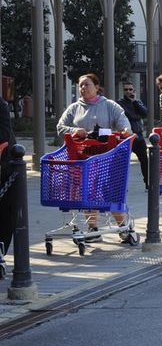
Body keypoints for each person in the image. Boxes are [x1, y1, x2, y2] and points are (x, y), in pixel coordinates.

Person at [57, 73, 132, 238]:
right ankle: (93, 228)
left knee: (109, 192)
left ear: (97, 87)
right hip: (83, 157)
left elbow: (122, 121)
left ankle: (123, 227)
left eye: (87, 84)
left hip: (107, 157)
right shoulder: (74, 108)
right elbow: (60, 127)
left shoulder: (109, 105)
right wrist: (74, 130)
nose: (83, 88)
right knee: (88, 191)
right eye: (80, 85)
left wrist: (126, 130)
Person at [117, 81, 148, 188]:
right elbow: (129, 116)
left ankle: (148, 183)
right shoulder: (120, 104)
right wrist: (137, 115)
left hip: (139, 137)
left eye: (130, 89)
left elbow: (144, 113)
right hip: (127, 137)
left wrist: (134, 102)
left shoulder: (137, 102)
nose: (128, 91)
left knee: (144, 160)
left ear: (134, 91)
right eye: (126, 89)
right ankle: (121, 186)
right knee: (123, 163)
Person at [0, 96, 17, 255]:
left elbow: (4, 135)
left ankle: (1, 251)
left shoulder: (1, 104)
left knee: (5, 211)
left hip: (4, 164)